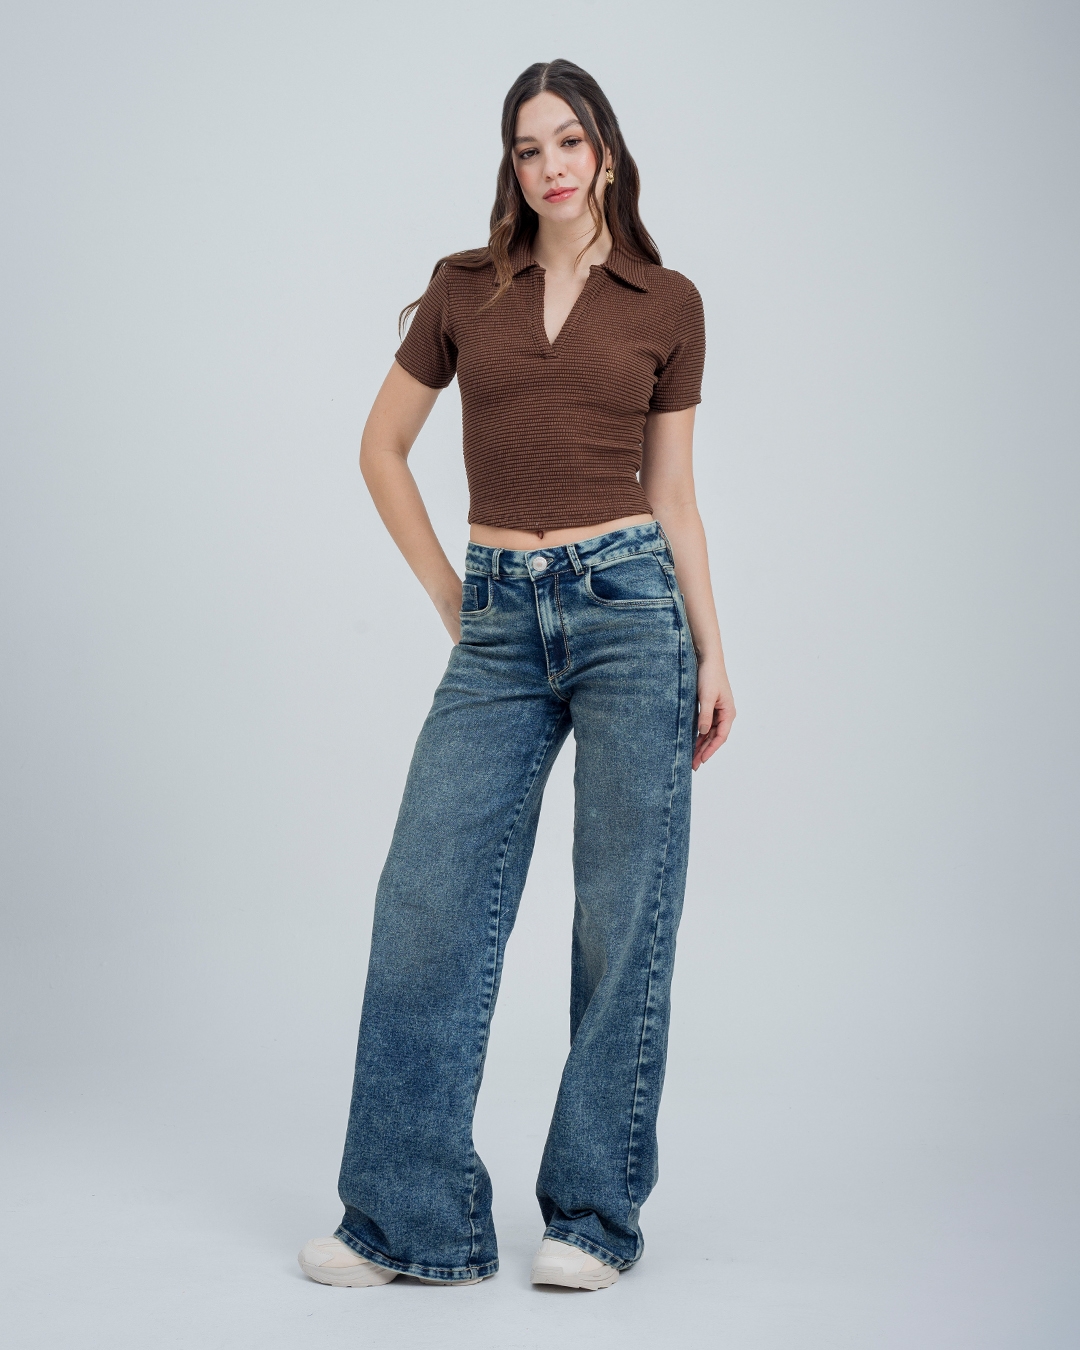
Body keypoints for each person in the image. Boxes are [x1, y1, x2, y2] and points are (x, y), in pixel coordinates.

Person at [298, 58, 735, 1292]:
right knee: (425, 899)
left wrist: (713, 650)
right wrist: (455, 596)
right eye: (528, 146)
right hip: (498, 617)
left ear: (606, 152)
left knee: (622, 913)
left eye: (569, 141)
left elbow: (674, 497)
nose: (551, 165)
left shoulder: (667, 301)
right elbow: (381, 448)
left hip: (632, 611)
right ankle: (408, 1221)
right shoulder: (465, 289)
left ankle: (592, 1216)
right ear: (512, 164)